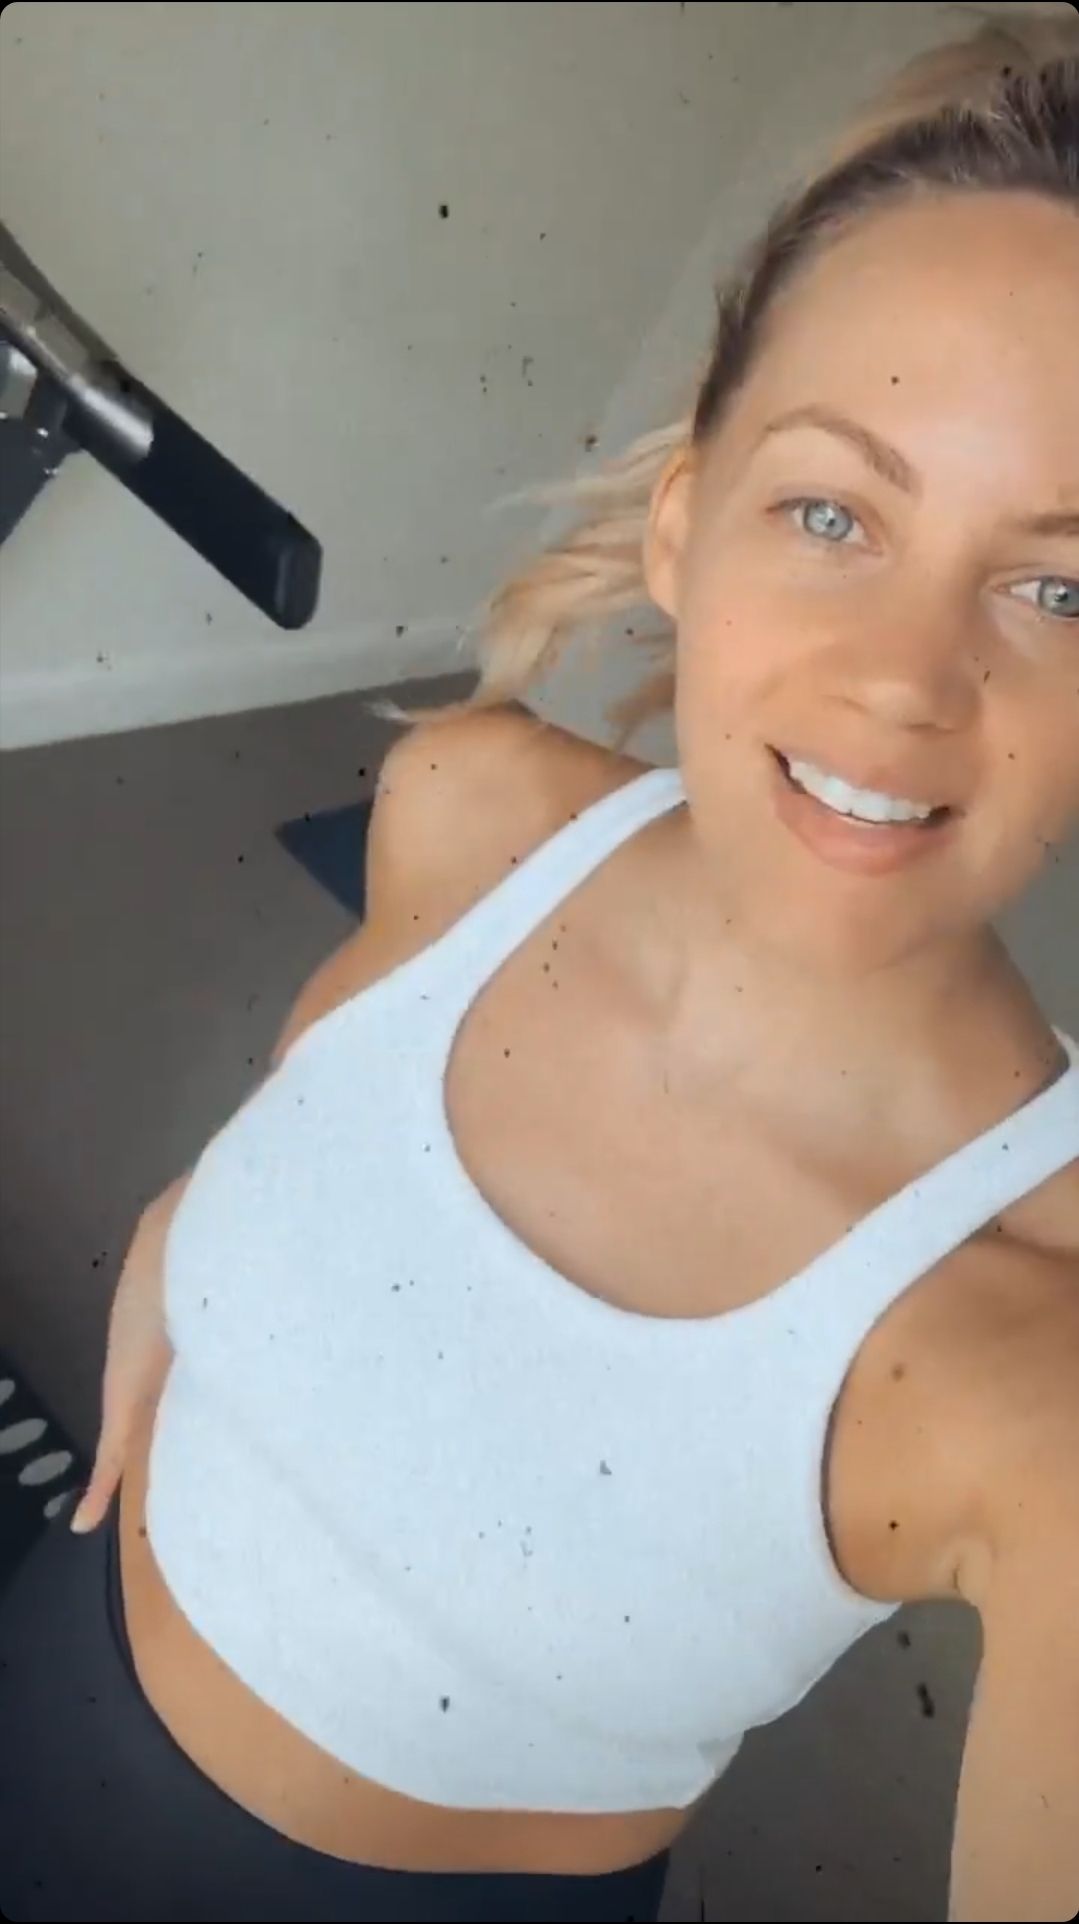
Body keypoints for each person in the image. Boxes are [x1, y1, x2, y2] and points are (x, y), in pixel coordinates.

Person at [2, 12, 1077, 1923]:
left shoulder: (1038, 1345)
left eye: (1063, 585)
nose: (907, 681)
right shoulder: (471, 808)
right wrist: (200, 1252)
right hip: (53, 1657)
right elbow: (304, 1136)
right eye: (833, 512)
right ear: (683, 524)